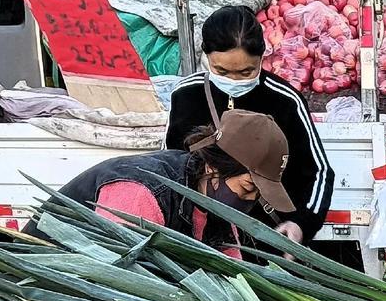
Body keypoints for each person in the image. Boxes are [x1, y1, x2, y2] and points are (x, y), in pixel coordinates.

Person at [166, 4, 333, 243]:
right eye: (221, 70)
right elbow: (171, 165)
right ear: (206, 55)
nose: (233, 80)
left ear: (262, 56)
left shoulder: (284, 99)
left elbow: (319, 171)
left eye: (246, 72)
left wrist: (301, 224)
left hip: (269, 239)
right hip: (202, 239)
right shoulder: (186, 95)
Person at [59, 109, 299, 255]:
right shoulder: (141, 191)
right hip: (47, 299)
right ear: (213, 167)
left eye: (259, 195)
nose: (250, 200)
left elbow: (229, 273)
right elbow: (116, 273)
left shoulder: (214, 205)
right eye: (248, 187)